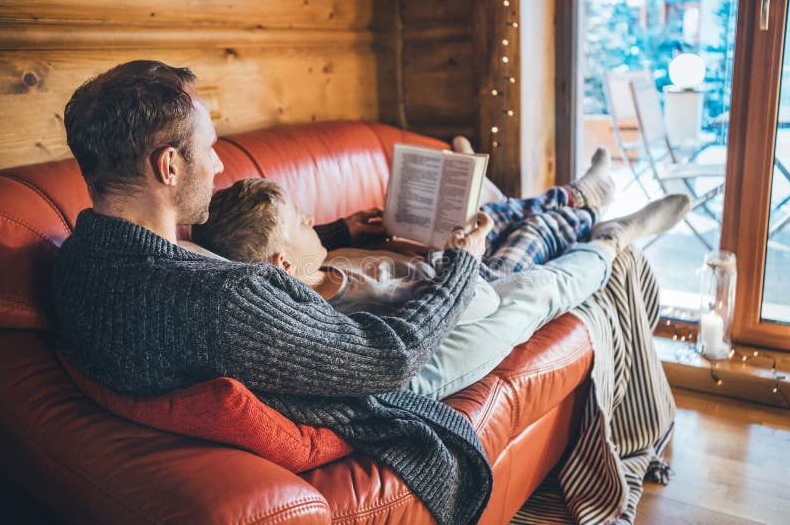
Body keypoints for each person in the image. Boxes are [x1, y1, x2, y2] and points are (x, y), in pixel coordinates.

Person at [53, 60, 494, 525]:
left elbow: (199, 260)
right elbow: (390, 358)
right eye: (210, 149)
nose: (219, 164)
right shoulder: (225, 301)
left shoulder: (77, 261)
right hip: (371, 379)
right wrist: (463, 263)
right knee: (548, 288)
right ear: (169, 166)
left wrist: (334, 229)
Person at [191, 150, 690, 399]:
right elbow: (472, 302)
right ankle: (607, 225)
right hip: (472, 281)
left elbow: (308, 245)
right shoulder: (358, 306)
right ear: (281, 264)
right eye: (300, 219)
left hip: (438, 260)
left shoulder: (313, 266)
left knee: (499, 214)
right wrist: (460, 258)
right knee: (533, 232)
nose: (309, 218)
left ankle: (574, 194)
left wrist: (351, 230)